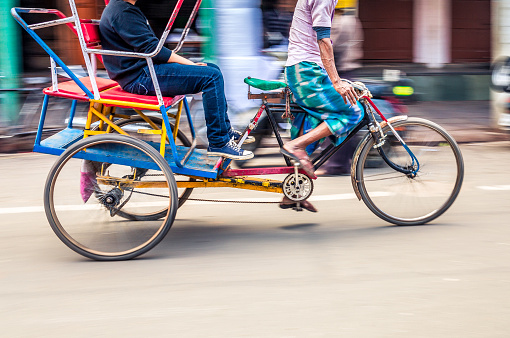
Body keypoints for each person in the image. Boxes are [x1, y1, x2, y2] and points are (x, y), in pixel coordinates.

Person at [99, 0, 254, 160]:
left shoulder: (125, 9)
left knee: (212, 69)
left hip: (144, 70)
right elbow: (153, 50)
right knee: (211, 77)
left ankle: (224, 131)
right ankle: (218, 142)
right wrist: (191, 64)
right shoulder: (122, 12)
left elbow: (151, 49)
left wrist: (191, 65)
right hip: (140, 77)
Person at [279, 0, 363, 212]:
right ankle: (294, 146)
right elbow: (324, 41)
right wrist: (337, 82)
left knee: (313, 127)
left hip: (305, 70)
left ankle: (293, 192)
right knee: (353, 112)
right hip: (306, 72)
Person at [315, 1, 364, 176]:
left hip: (341, 74)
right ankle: (339, 161)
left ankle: (337, 164)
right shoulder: (351, 20)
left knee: (336, 118)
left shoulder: (340, 22)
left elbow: (331, 49)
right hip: (346, 73)